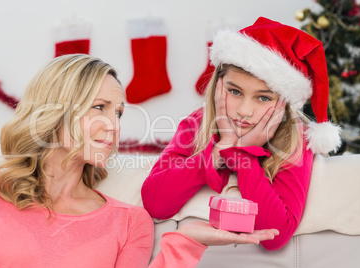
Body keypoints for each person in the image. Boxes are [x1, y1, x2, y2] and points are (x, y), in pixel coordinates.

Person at [0, 54, 278, 268]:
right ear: (55, 112)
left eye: (118, 113)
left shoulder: (129, 222)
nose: (114, 125)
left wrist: (187, 242)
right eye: (99, 107)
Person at [141, 17, 342, 251]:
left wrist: (242, 154)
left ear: (284, 104)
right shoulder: (197, 123)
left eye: (263, 97)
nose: (244, 111)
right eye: (234, 91)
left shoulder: (294, 139)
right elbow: (155, 203)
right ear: (218, 84)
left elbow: (275, 236)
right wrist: (219, 150)